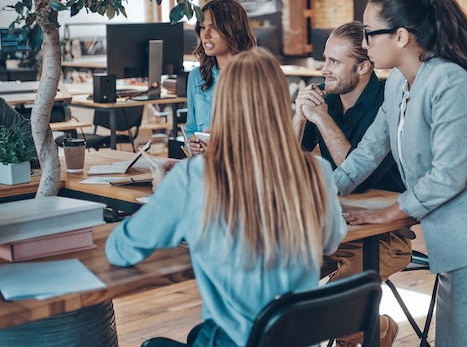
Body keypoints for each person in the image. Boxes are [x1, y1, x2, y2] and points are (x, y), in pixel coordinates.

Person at [106, 48, 347, 347]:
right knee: (198, 335)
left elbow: (121, 250)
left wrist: (162, 192)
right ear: (279, 100)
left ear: (222, 102)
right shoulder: (316, 171)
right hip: (295, 340)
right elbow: (331, 242)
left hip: (234, 340)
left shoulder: (194, 177)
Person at [336, 0, 467, 347]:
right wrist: (323, 191)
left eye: (369, 33)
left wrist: (389, 213)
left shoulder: (450, 81)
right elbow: (367, 152)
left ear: (401, 36)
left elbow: (448, 177)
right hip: (455, 247)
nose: (364, 43)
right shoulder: (396, 84)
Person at [293, 21, 410, 347]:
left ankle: (378, 331)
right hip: (331, 226)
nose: (323, 69)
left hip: (383, 236)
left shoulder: (387, 103)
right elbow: (288, 163)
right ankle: (370, 327)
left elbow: (357, 177)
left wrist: (322, 119)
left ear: (363, 66)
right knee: (270, 284)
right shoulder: (325, 99)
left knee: (324, 309)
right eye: (325, 59)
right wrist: (300, 117)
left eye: (334, 62)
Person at [185, 0, 256, 155]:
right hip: (204, 166)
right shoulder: (196, 76)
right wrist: (192, 143)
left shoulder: (255, 77)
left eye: (214, 27)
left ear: (233, 29)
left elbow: (266, 133)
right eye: (203, 27)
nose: (206, 35)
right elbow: (190, 128)